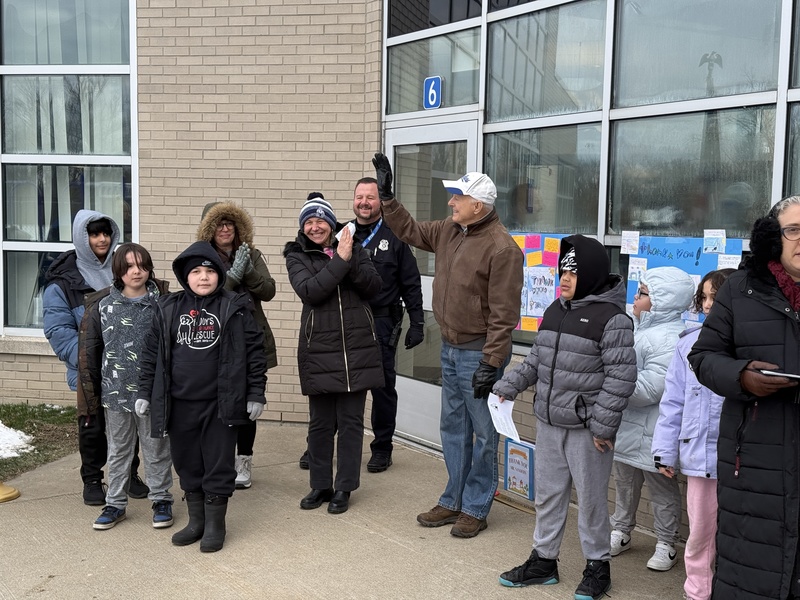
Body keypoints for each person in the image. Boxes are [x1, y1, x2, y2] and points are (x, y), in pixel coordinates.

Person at [373, 154, 524, 538]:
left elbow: (505, 314)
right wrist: (388, 198)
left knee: (484, 433)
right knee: (453, 426)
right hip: (451, 347)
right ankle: (453, 499)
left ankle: (475, 507)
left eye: (459, 197)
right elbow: (410, 230)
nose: (451, 202)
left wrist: (491, 361)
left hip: (479, 354)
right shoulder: (449, 230)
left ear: (479, 206)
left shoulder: (502, 249)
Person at [492, 235, 636, 600]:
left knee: (590, 501)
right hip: (549, 422)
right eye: (562, 271)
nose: (565, 279)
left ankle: (598, 567)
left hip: (588, 430)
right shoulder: (556, 310)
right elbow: (537, 360)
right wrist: (508, 385)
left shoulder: (613, 319)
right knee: (548, 496)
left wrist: (603, 426)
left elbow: (620, 378)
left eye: (573, 272)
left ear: (591, 273)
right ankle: (544, 561)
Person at [688, 196, 800, 600]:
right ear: (772, 237)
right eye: (794, 230)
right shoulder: (740, 289)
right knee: (750, 571)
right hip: (753, 461)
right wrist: (742, 376)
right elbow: (703, 357)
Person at [136, 241, 266, 552]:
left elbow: (254, 353)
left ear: (220, 274)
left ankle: (216, 524)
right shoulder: (168, 308)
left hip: (220, 404)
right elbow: (151, 354)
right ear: (185, 276)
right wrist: (144, 392)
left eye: (209, 271)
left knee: (219, 464)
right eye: (195, 271)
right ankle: (197, 521)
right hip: (179, 404)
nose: (203, 277)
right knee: (187, 462)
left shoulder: (235, 306)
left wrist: (255, 393)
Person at [297, 178, 424, 474]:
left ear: (380, 202)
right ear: (353, 200)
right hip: (345, 321)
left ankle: (382, 448)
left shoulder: (395, 236)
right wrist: (313, 210)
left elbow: (411, 282)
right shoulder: (341, 233)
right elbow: (312, 250)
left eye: (371, 197)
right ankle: (319, 446)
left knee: (382, 388)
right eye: (359, 197)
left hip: (381, 321)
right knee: (335, 386)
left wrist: (417, 321)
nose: (364, 202)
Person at [284, 193, 384, 514]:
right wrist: (340, 260)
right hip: (319, 350)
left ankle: (344, 487)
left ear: (331, 223)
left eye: (320, 221)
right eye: (309, 222)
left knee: (351, 424)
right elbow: (311, 291)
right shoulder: (296, 255)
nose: (315, 227)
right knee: (320, 424)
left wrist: (348, 256)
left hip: (357, 349)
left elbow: (373, 287)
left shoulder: (356, 248)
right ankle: (320, 485)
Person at [43, 209, 148, 505]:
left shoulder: (122, 270)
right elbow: (58, 330)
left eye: (106, 233)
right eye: (94, 234)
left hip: (125, 367)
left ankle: (128, 474)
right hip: (89, 371)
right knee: (93, 426)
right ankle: (92, 479)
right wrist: (87, 360)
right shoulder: (63, 283)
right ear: (82, 237)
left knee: (128, 422)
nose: (102, 239)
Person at [651, 268, 735, 600]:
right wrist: (664, 451)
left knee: (736, 532)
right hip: (699, 456)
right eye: (704, 297)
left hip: (739, 458)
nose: (708, 304)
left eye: (716, 296)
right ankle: (697, 590)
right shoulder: (687, 344)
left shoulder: (747, 343)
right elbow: (673, 401)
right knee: (700, 531)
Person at [79, 243, 174, 531]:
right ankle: (115, 504)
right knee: (119, 450)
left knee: (156, 449)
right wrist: (91, 392)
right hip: (116, 393)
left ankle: (161, 500)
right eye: (129, 266)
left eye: (142, 265)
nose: (136, 271)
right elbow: (92, 352)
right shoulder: (104, 306)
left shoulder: (163, 305)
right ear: (118, 270)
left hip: (153, 394)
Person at [610, 266, 696, 572]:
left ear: (664, 300)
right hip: (628, 426)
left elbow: (651, 388)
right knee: (624, 483)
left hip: (656, 432)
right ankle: (621, 530)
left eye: (643, 293)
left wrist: (612, 381)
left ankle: (666, 543)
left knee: (661, 489)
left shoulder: (671, 339)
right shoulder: (637, 328)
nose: (635, 297)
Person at [197, 202, 277, 489]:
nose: (225, 229)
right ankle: (216, 459)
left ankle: (243, 460)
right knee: (214, 403)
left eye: (229, 223)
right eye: (219, 224)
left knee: (247, 405)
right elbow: (206, 298)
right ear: (209, 228)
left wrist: (249, 272)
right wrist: (231, 278)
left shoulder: (251, 254)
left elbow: (269, 290)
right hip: (215, 341)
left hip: (250, 338)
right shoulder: (202, 258)